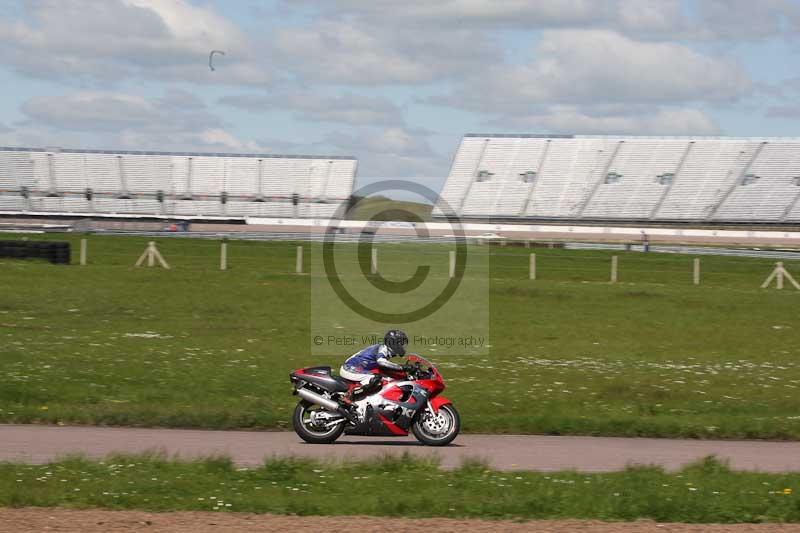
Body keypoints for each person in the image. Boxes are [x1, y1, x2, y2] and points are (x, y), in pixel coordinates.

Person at [339, 330, 409, 403]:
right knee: (376, 380)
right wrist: (402, 368)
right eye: (401, 343)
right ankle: (350, 397)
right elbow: (382, 362)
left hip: (357, 368)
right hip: (349, 368)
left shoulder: (385, 350)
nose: (402, 346)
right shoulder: (383, 348)